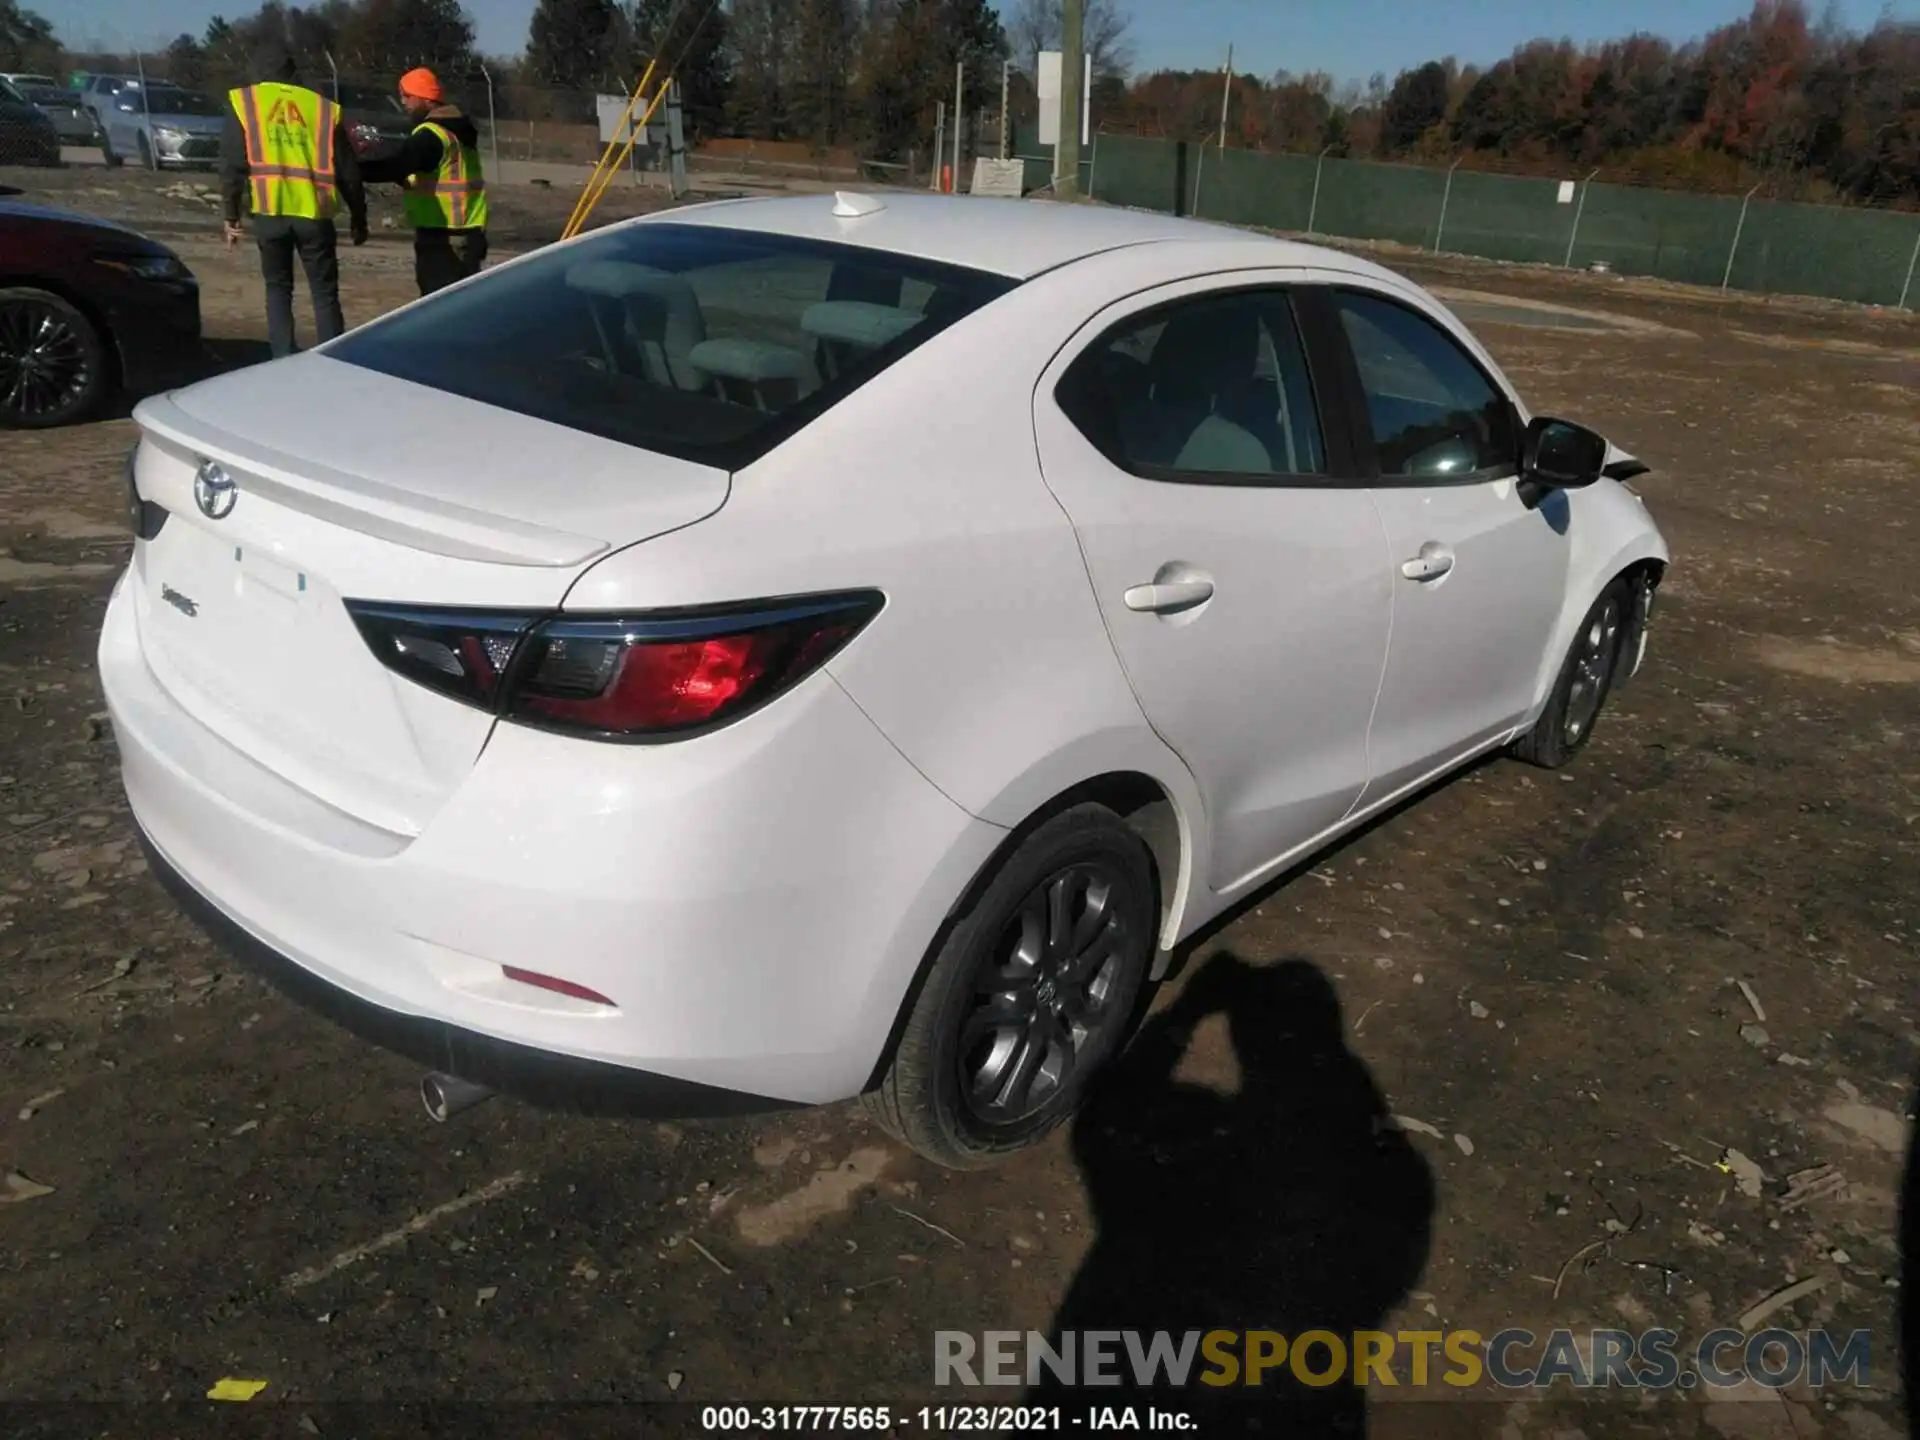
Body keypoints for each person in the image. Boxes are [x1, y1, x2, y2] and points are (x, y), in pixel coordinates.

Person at [219, 42, 367, 359]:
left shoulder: (244, 102)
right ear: (293, 74)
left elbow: (232, 164)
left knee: (278, 289)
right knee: (324, 292)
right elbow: (348, 171)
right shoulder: (322, 108)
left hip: (270, 212)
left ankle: (283, 358)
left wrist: (231, 216)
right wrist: (359, 216)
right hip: (314, 213)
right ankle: (333, 357)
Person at [358, 68, 488, 297]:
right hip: (466, 234)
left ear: (425, 98)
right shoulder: (458, 130)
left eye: (407, 96)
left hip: (444, 239)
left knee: (439, 311)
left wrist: (355, 170)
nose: (403, 102)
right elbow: (437, 173)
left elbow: (397, 164)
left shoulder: (432, 134)